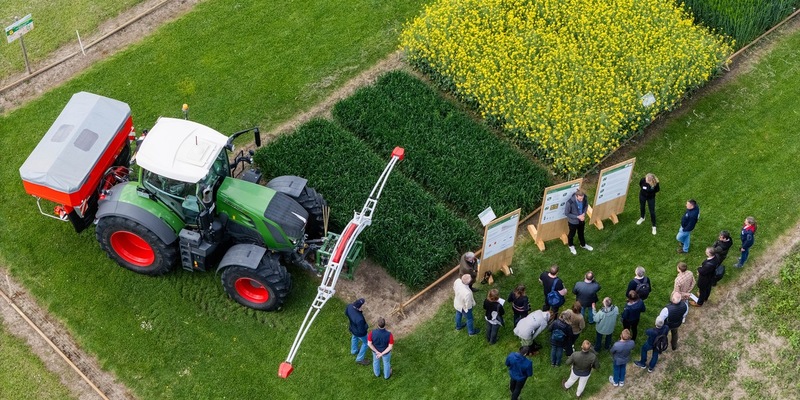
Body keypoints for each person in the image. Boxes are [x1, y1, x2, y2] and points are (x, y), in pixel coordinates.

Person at [565, 190, 593, 255]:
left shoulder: (584, 198)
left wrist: (583, 213)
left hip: (581, 220)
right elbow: (567, 213)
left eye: (582, 198)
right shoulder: (569, 202)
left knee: (581, 233)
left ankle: (583, 245)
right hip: (573, 222)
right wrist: (577, 217)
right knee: (572, 234)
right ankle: (571, 246)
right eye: (580, 198)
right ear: (576, 196)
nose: (581, 199)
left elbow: (586, 206)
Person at [345, 298, 370, 365]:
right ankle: (359, 359)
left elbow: (346, 313)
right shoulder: (359, 319)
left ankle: (354, 350)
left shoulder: (349, 306)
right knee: (366, 343)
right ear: (358, 308)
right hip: (359, 332)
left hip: (353, 328)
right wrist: (366, 326)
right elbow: (362, 331)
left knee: (354, 337)